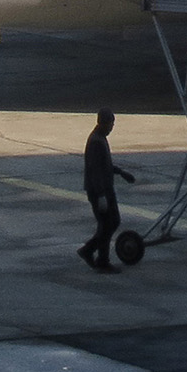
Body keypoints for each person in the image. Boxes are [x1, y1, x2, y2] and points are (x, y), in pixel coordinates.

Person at [77, 110, 136, 273]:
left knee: (110, 223)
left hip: (104, 188)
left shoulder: (100, 138)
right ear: (103, 123)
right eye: (110, 124)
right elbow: (95, 170)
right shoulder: (96, 141)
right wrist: (101, 195)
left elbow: (105, 165)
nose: (112, 128)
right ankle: (97, 257)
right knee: (108, 224)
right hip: (99, 191)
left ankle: (92, 253)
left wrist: (121, 173)